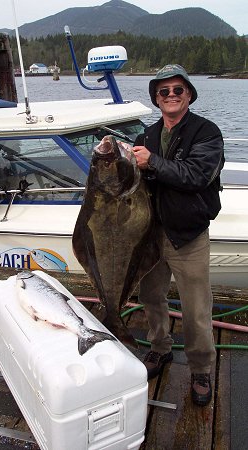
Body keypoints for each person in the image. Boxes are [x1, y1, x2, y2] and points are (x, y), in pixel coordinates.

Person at [133, 64, 224, 407]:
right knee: (151, 299)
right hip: (151, 237)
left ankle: (201, 368)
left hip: (189, 237)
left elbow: (197, 175)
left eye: (177, 90)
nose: (171, 96)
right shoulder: (147, 135)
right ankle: (159, 349)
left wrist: (152, 162)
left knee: (196, 309)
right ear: (156, 98)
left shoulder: (207, 132)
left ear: (189, 95)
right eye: (163, 91)